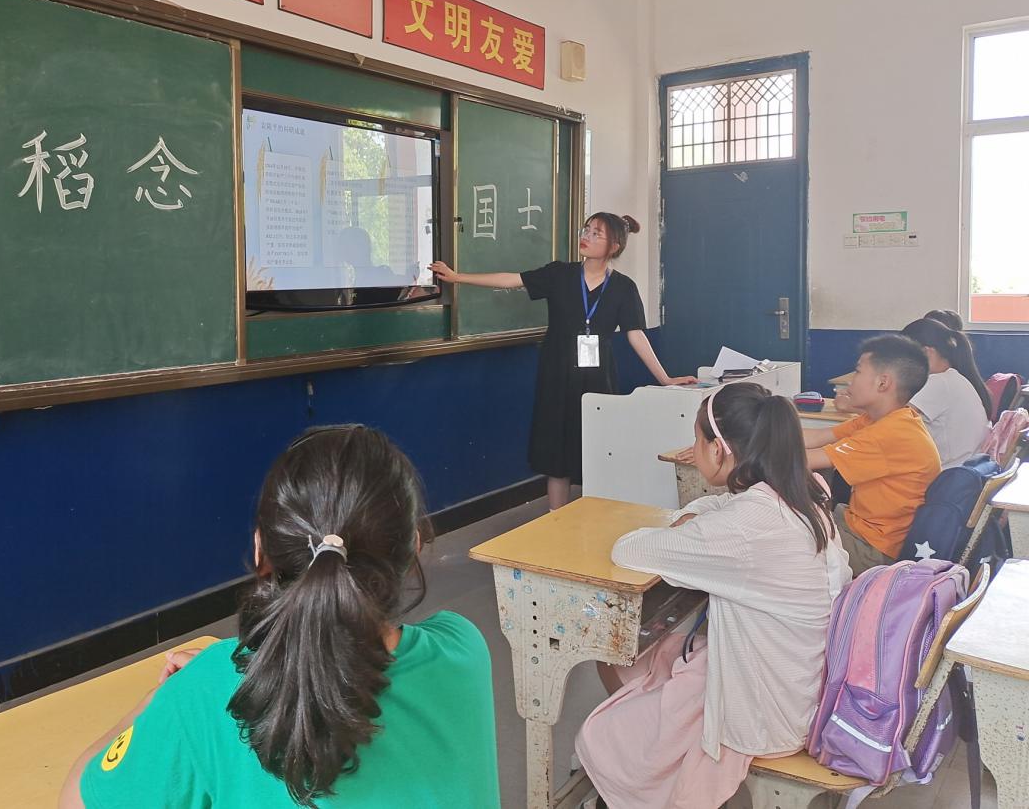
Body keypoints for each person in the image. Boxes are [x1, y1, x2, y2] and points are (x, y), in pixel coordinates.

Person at [61, 426, 500, 808]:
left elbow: (76, 800)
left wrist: (170, 697)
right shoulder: (463, 649)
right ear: (413, 550)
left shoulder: (206, 696)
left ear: (260, 551)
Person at [576, 383, 850, 809]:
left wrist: (684, 524)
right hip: (803, 678)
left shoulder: (746, 527)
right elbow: (717, 508)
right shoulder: (802, 492)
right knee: (637, 655)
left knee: (606, 727)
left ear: (718, 450)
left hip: (767, 709)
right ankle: (656, 753)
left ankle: (648, 775)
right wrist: (693, 517)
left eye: (697, 439)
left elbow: (629, 550)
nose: (693, 448)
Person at [430, 212, 694, 510]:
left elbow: (636, 335)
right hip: (556, 374)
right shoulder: (560, 274)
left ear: (614, 246)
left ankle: (595, 515)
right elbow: (511, 280)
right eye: (586, 229)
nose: (586, 236)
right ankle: (556, 517)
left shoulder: (623, 287)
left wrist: (666, 379)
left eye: (596, 233)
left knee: (598, 449)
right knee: (556, 455)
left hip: (598, 378)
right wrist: (458, 277)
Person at [803, 335, 941, 574]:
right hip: (857, 528)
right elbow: (817, 437)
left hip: (872, 550)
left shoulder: (889, 434)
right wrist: (763, 431)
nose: (849, 383)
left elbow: (804, 460)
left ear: (883, 383)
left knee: (780, 537)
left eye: (857, 372)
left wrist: (747, 447)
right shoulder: (887, 419)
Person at [901, 317, 993, 468]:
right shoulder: (954, 378)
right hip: (962, 472)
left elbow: (892, 419)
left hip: (946, 475)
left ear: (926, 353)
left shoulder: (939, 382)